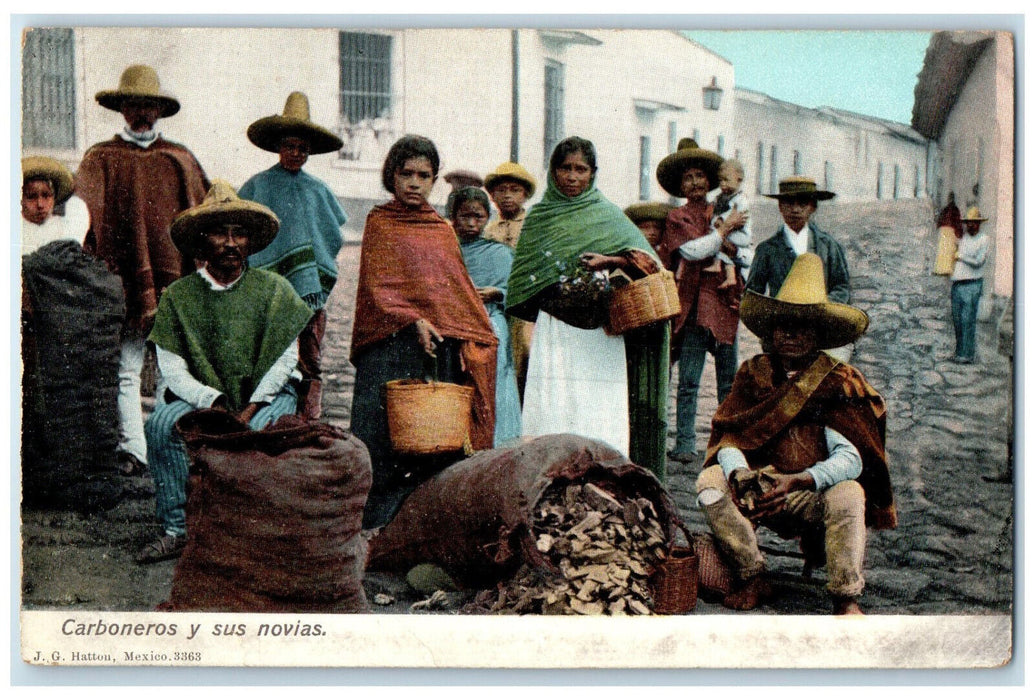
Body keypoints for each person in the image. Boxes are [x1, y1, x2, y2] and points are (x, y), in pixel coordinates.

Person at [695, 253, 896, 615]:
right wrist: (741, 474)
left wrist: (802, 479)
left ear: (819, 334)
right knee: (710, 481)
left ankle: (845, 596)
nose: (788, 334)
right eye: (781, 325)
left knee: (850, 493)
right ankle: (753, 574)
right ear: (770, 331)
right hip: (761, 487)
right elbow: (730, 438)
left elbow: (851, 460)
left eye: (801, 326)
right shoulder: (753, 374)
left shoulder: (838, 382)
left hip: (810, 490)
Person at [136, 181, 312, 563]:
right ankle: (177, 527)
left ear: (250, 242)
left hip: (262, 397)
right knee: (161, 425)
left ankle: (254, 530)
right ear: (202, 243)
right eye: (219, 232)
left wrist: (247, 409)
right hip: (203, 397)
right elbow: (173, 369)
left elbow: (285, 362)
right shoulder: (179, 296)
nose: (231, 243)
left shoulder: (275, 290)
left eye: (240, 233)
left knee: (267, 430)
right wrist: (213, 402)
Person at [350, 135, 498, 529]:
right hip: (388, 347)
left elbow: (455, 291)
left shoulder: (442, 230)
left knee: (433, 437)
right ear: (391, 176)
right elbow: (377, 288)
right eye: (406, 174)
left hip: (438, 349)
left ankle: (425, 520)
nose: (414, 183)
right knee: (384, 437)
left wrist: (468, 332)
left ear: (434, 181)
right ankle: (377, 521)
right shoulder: (380, 223)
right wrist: (412, 318)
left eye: (424, 175)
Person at [506, 136, 669, 479]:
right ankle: (550, 471)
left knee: (597, 399)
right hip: (556, 326)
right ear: (553, 172)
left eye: (581, 169)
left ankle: (603, 471)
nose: (573, 177)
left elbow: (649, 262)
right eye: (565, 168)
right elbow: (524, 278)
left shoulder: (606, 214)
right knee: (556, 396)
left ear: (593, 174)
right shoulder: (539, 218)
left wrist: (608, 259)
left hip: (600, 330)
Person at [76, 64, 210, 478]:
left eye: (148, 107)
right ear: (121, 110)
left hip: (175, 282)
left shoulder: (180, 159)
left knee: (177, 369)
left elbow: (203, 212)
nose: (141, 115)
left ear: (159, 111)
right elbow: (84, 217)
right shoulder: (101, 158)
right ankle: (135, 450)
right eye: (133, 106)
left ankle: (179, 449)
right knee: (127, 368)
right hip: (125, 283)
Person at [238, 91, 348, 420]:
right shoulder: (259, 187)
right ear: (278, 146)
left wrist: (316, 269)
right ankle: (270, 417)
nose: (295, 153)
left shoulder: (318, 190)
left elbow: (332, 234)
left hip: (309, 296)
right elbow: (247, 231)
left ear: (310, 151)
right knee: (269, 354)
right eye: (289, 146)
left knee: (310, 357)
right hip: (269, 293)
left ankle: (307, 418)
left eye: (302, 148)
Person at [655, 138, 749, 464]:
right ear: (680, 185)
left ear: (710, 180)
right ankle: (684, 442)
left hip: (725, 302)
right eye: (687, 178)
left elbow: (740, 246)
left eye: (700, 176)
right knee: (690, 380)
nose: (695, 183)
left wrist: (728, 239)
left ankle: (727, 442)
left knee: (727, 378)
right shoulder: (677, 218)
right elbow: (693, 251)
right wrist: (722, 235)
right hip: (695, 304)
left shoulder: (721, 208)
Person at [451, 186, 522, 446]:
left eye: (478, 217)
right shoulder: (445, 249)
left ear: (487, 218)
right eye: (464, 216)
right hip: (453, 325)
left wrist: (497, 293)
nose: (471, 223)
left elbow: (515, 292)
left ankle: (497, 442)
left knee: (495, 385)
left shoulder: (500, 253)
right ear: (453, 216)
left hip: (491, 324)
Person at [746, 176, 850, 304]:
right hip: (782, 320)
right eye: (789, 203)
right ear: (780, 206)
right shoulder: (767, 249)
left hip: (820, 319)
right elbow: (753, 294)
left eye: (802, 203)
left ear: (813, 207)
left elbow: (842, 287)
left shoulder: (828, 246)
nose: (795, 210)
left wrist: (825, 305)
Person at [483, 161, 538, 403]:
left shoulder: (533, 226)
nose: (507, 196)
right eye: (501, 190)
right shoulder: (488, 229)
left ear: (525, 194)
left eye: (514, 190)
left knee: (526, 352)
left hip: (525, 305)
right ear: (492, 195)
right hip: (495, 305)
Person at [21, 156, 90, 254]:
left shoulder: (63, 228)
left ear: (54, 197)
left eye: (46, 196)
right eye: (31, 197)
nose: (40, 204)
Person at [703, 159, 753, 290]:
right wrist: (711, 207)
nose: (722, 184)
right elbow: (715, 203)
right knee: (719, 240)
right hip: (731, 232)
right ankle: (725, 271)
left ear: (739, 179)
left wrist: (721, 219)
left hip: (741, 235)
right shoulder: (722, 196)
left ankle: (721, 267)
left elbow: (737, 215)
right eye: (720, 181)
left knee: (718, 238)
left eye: (726, 180)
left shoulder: (741, 199)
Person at [949, 206, 990, 365]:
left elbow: (979, 261)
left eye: (974, 222)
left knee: (968, 320)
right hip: (958, 284)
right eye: (968, 222)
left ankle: (967, 354)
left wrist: (961, 256)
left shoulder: (984, 239)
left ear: (979, 224)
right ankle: (959, 352)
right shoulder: (964, 238)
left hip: (972, 284)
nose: (970, 225)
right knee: (958, 320)